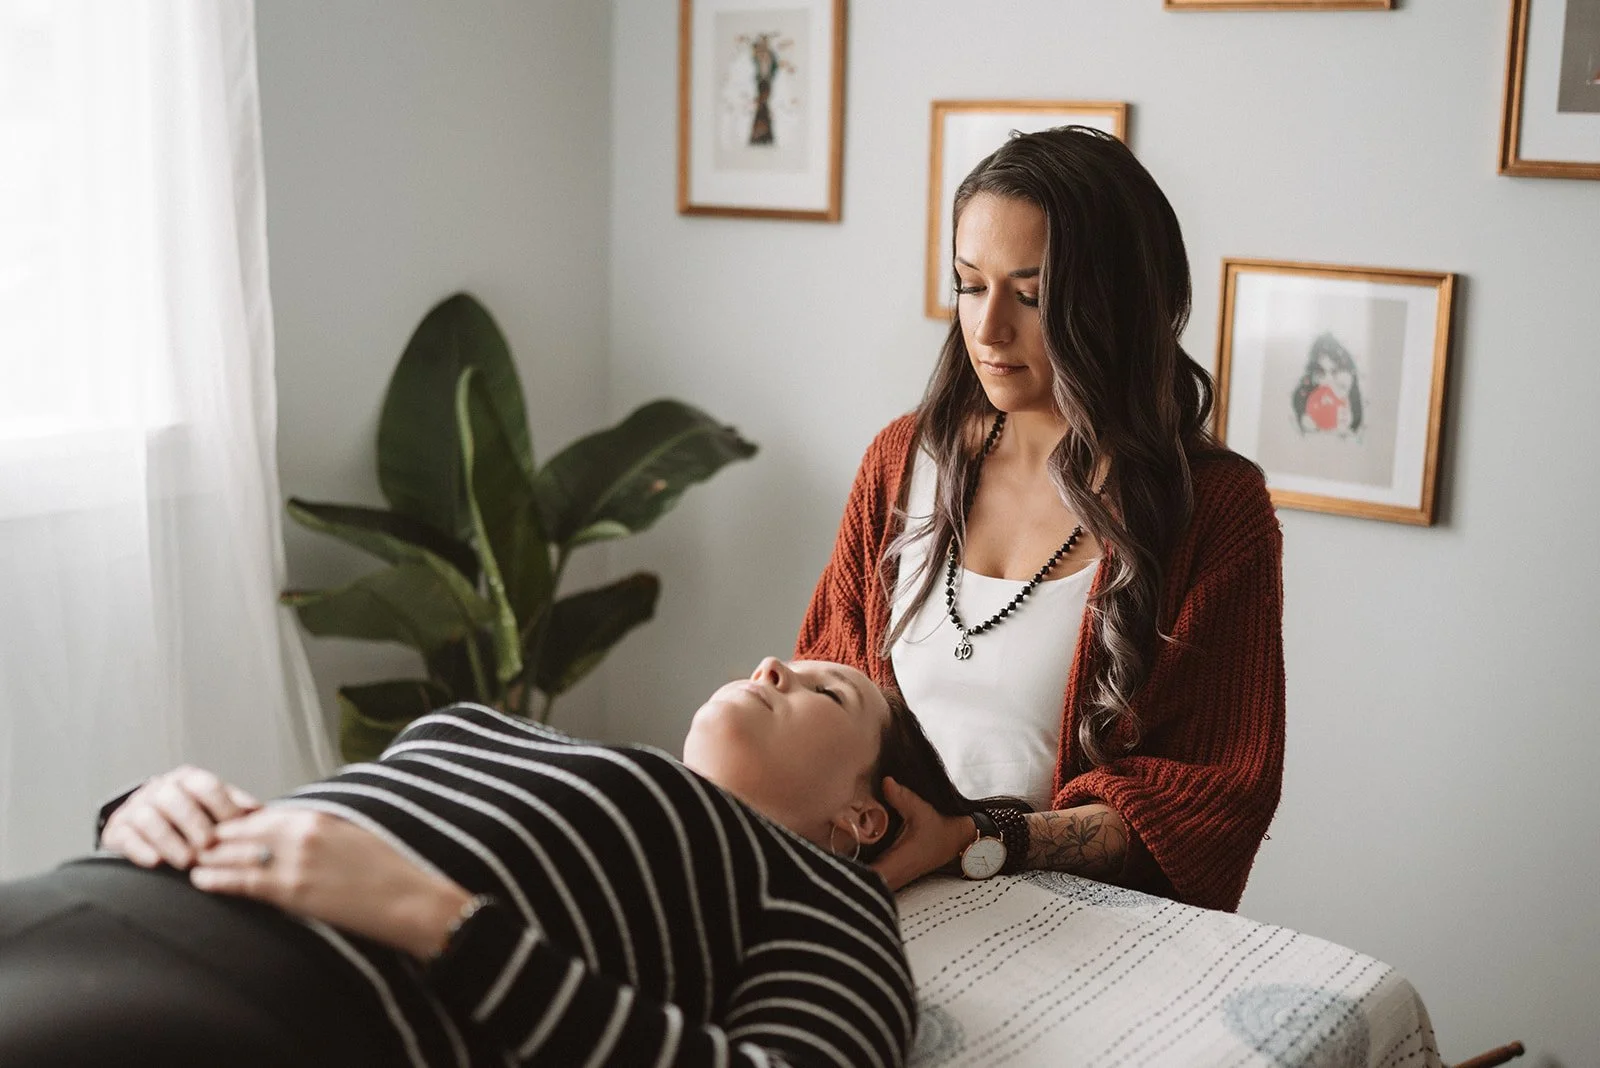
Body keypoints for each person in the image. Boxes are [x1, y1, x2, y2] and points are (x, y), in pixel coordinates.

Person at [0, 658, 969, 1067]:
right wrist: (145, 809)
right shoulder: (496, 729)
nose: (771, 668)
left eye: (825, 692)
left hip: (282, 998)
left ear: (864, 817)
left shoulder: (825, 896)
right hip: (96, 896)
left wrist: (439, 923)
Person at [796, 125, 1286, 912]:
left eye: (1030, 296)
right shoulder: (899, 460)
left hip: (1077, 931)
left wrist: (983, 838)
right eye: (968, 283)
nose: (989, 329)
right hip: (883, 901)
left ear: (1119, 306)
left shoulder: (1214, 513)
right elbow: (824, 688)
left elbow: (1211, 801)